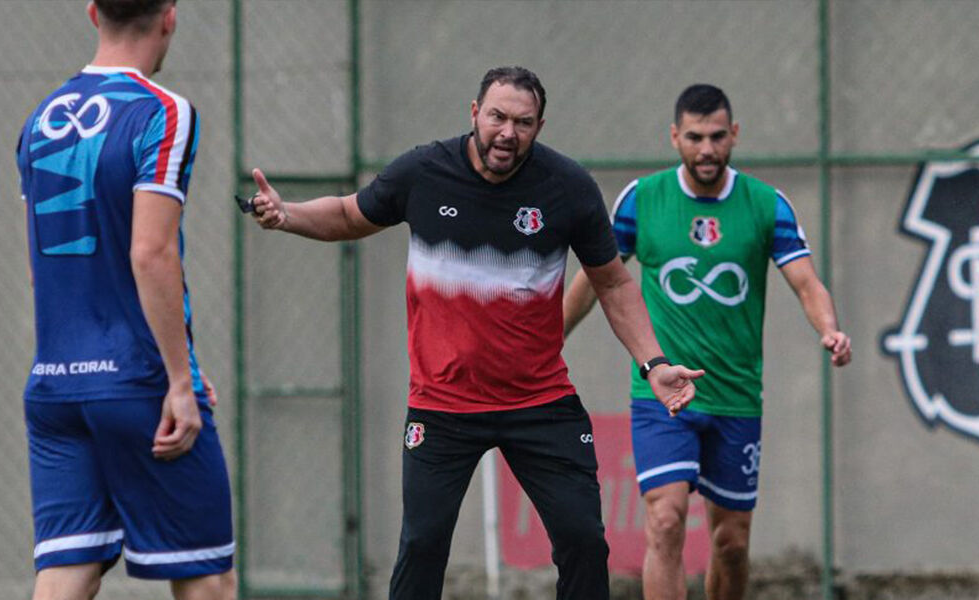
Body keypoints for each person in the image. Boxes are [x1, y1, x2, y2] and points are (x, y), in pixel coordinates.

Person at [244, 66, 704, 600]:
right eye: (498, 117)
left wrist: (654, 363)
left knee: (583, 540)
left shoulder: (567, 187)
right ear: (474, 114)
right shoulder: (423, 172)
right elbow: (350, 214)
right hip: (443, 404)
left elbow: (614, 283)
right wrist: (287, 214)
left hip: (540, 400)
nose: (508, 133)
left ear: (540, 126)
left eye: (523, 122)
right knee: (422, 545)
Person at [562, 84, 852, 600]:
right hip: (662, 394)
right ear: (675, 137)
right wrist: (547, 338)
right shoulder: (641, 201)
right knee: (666, 521)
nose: (707, 149)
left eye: (718, 136)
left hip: (736, 397)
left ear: (734, 135)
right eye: (694, 137)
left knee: (732, 542)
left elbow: (806, 282)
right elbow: (597, 280)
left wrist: (827, 328)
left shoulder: (767, 205)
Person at [16, 1, 235, 598]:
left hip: (56, 384)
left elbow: (42, 271)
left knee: (66, 571)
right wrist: (178, 380)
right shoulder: (163, 113)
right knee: (207, 574)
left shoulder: (38, 121)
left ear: (92, 12)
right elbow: (150, 254)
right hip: (137, 383)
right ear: (169, 16)